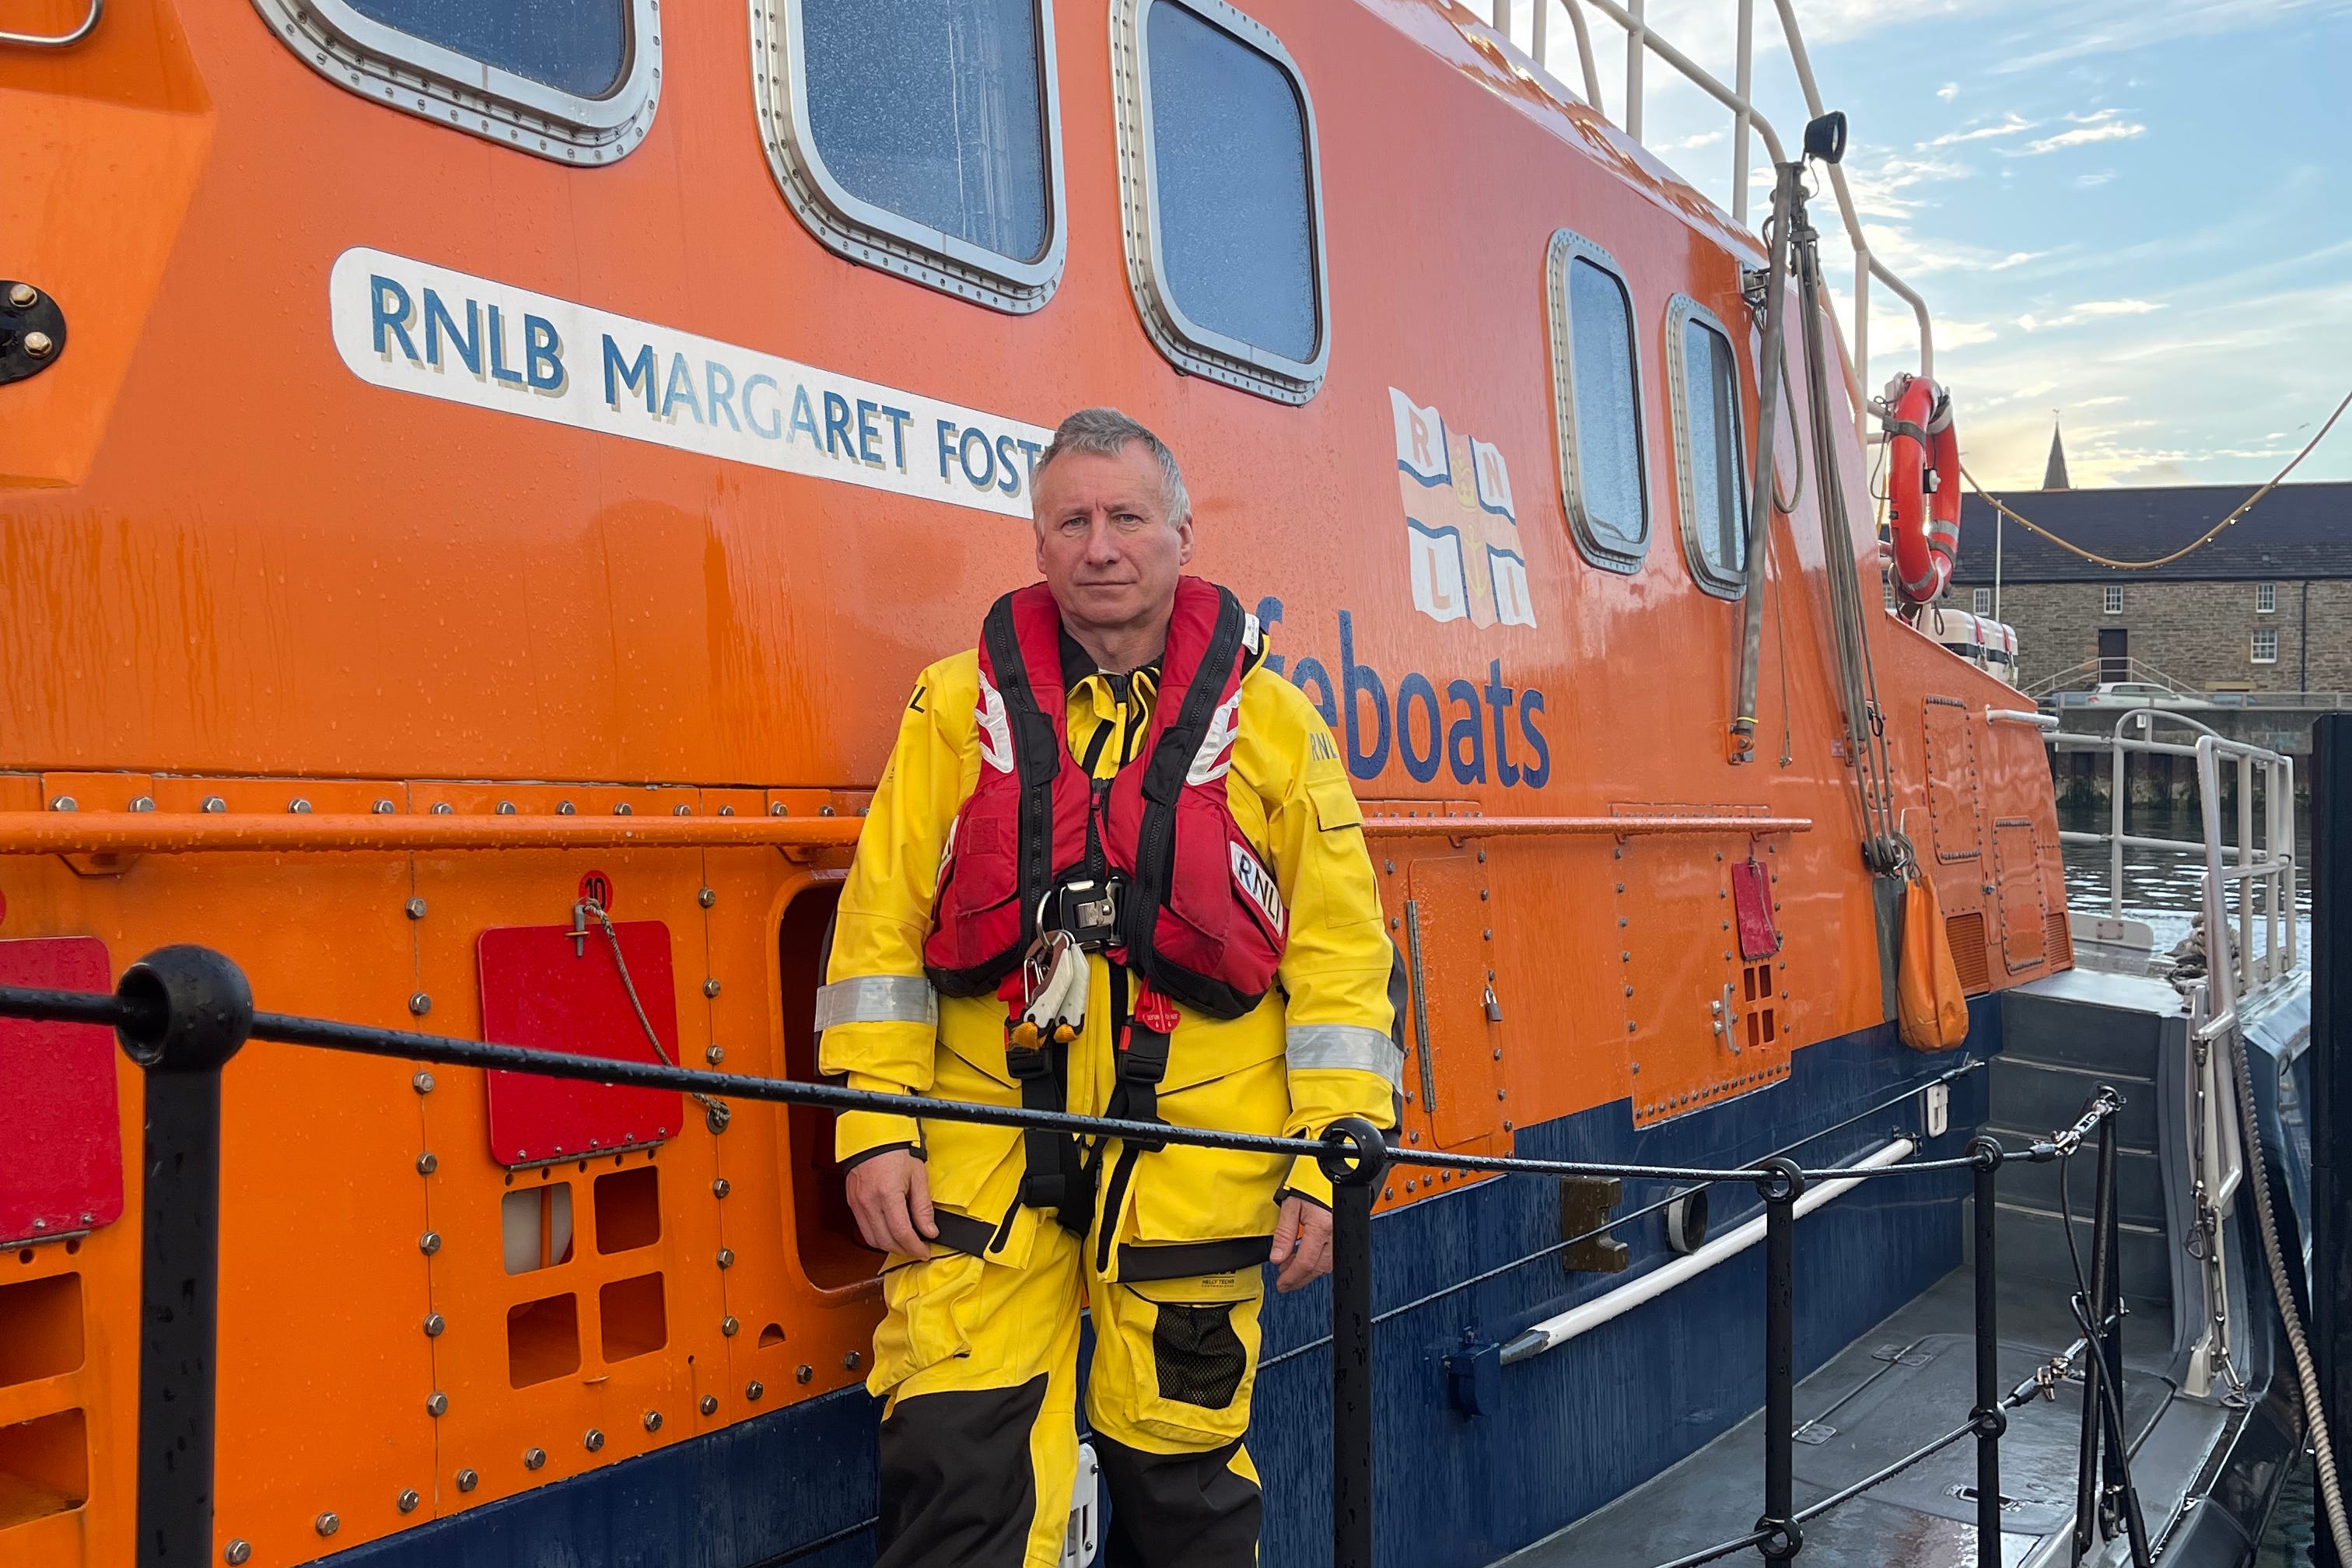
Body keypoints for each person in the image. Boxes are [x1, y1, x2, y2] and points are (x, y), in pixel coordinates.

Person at [815, 407, 1403, 1567]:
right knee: (954, 1478)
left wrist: (1331, 1161)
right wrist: (877, 1129)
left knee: (1186, 1505)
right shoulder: (952, 712)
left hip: (1194, 1187)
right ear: (1037, 549)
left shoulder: (1279, 733)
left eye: (1126, 517)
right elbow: (878, 936)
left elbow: (1343, 967)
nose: (1099, 546)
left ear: (1181, 533)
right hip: (976, 1175)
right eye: (1071, 521)